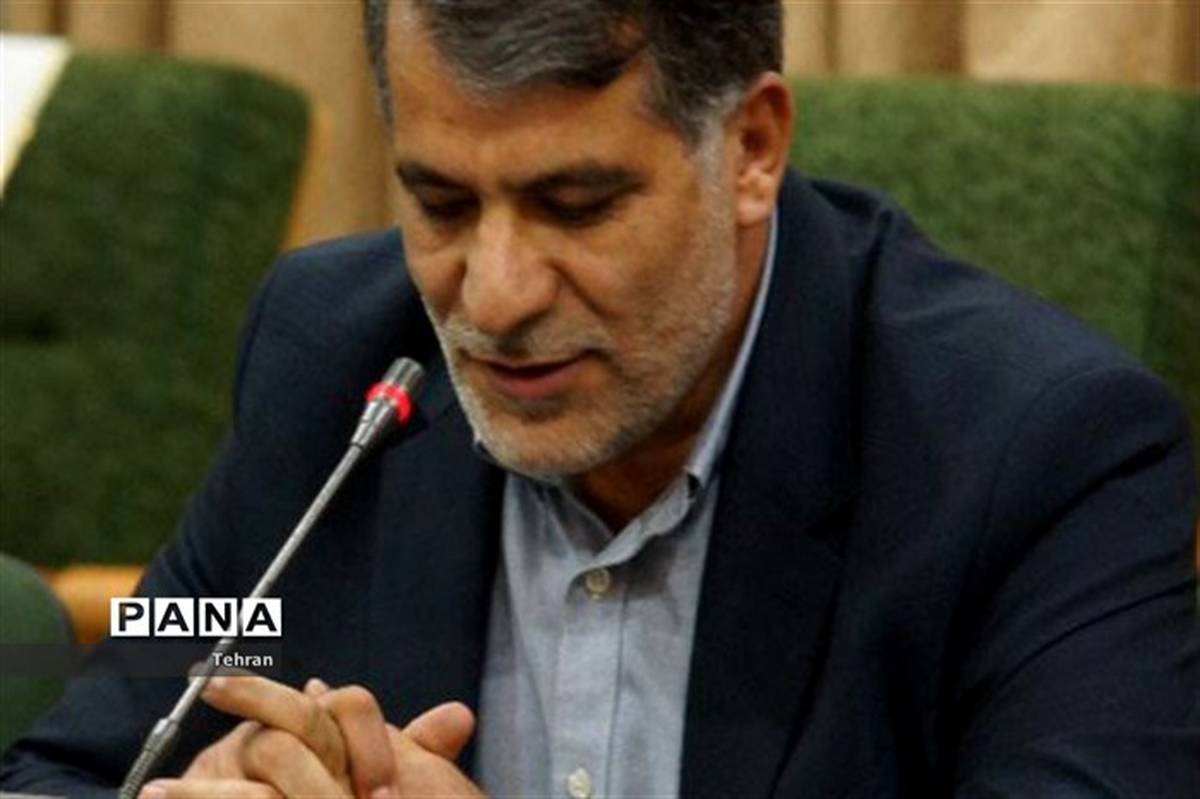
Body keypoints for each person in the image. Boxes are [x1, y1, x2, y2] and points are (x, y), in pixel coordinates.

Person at [2, 1, 1197, 796]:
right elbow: (85, 739)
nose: (495, 296)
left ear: (752, 148)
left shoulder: (1041, 453)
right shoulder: (341, 364)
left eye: (576, 206)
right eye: (441, 205)